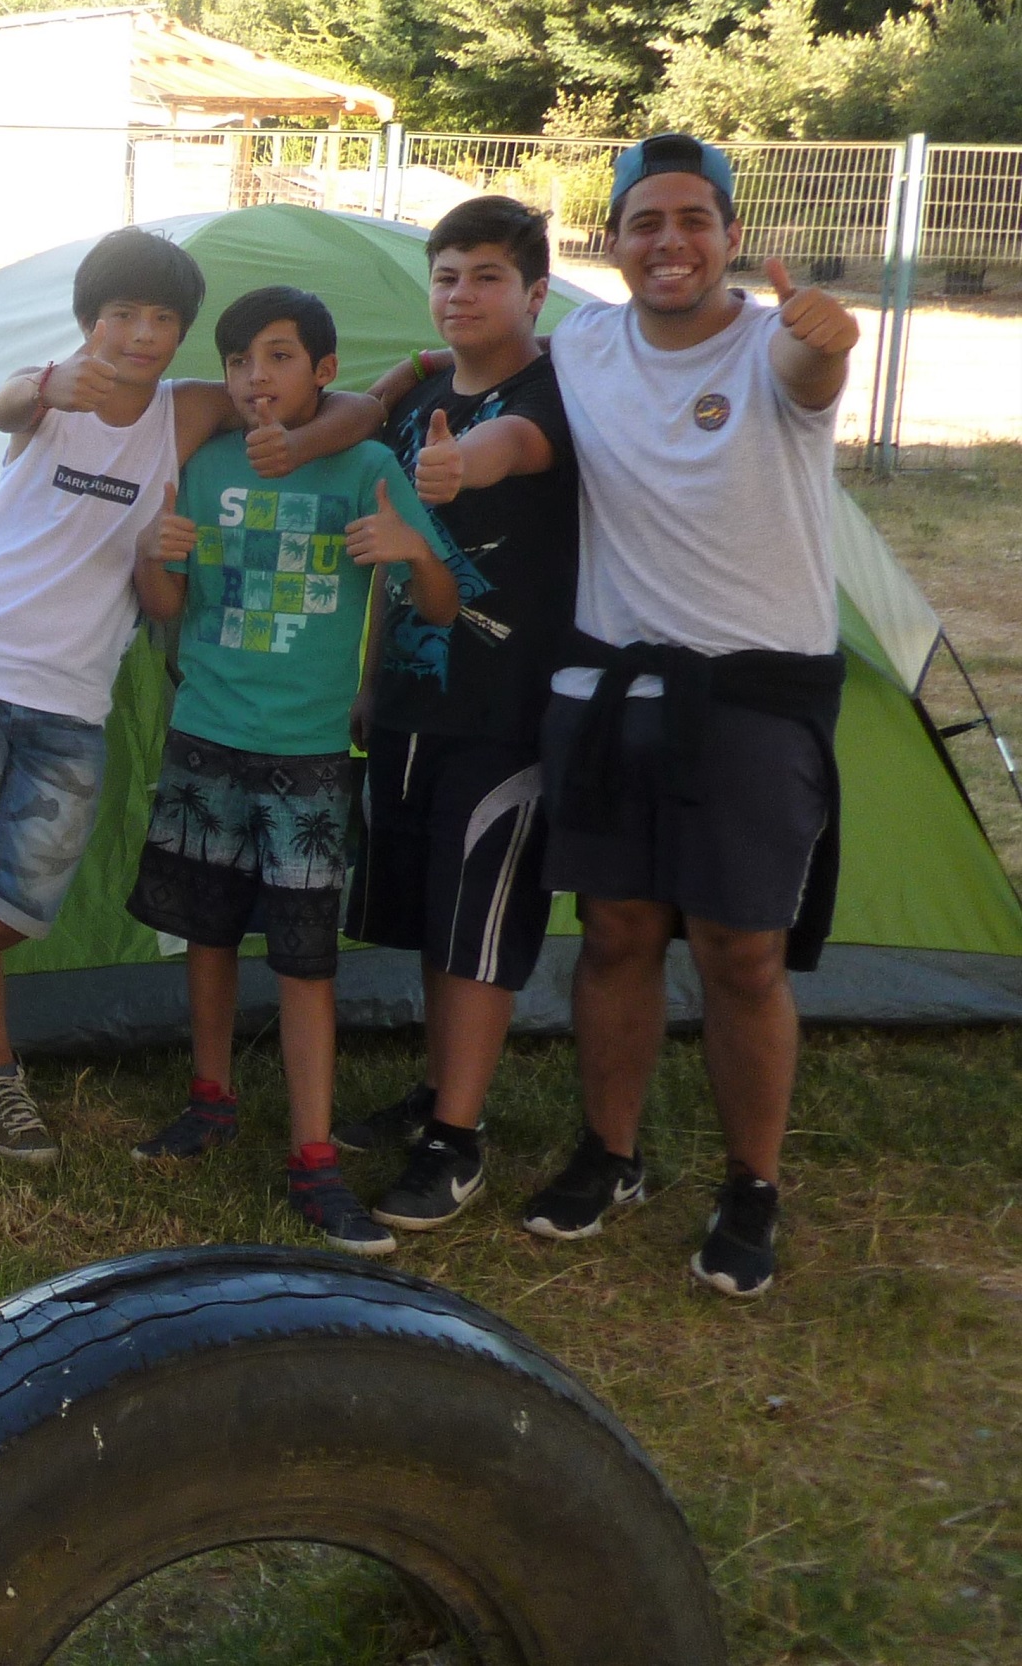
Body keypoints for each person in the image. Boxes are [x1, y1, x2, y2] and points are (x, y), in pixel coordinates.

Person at [0, 228, 389, 1162]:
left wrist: (299, 443)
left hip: (73, 692)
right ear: (88, 322)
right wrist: (43, 386)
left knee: (17, 901)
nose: (142, 334)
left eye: (162, 318)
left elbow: (356, 405)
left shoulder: (187, 410)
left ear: (183, 332)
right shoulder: (54, 391)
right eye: (122, 314)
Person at [523, 134, 858, 1299]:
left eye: (692, 220)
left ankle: (751, 1185)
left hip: (754, 690)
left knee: (740, 950)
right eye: (645, 222)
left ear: (728, 235)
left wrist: (825, 341)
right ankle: (609, 1155)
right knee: (617, 929)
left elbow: (811, 381)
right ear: (614, 239)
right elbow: (491, 366)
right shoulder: (583, 343)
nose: (669, 242)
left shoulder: (774, 346)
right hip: (615, 681)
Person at [126, 284, 461, 1255]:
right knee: (207, 932)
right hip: (206, 733)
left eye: (277, 356)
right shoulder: (204, 463)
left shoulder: (366, 467)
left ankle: (314, 1158)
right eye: (238, 361)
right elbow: (165, 605)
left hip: (310, 751)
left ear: (326, 370)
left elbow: (440, 604)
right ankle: (211, 1099)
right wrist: (153, 556)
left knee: (306, 960)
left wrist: (412, 553)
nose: (253, 378)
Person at [330, 196, 579, 1231]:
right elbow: (391, 557)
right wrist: (369, 681)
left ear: (535, 291)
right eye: (445, 276)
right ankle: (439, 1093)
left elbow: (513, 446)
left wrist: (459, 462)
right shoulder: (424, 389)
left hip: (503, 712)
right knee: (437, 913)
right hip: (409, 701)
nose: (461, 295)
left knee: (480, 921)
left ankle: (457, 1142)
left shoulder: (558, 392)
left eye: (486, 276)